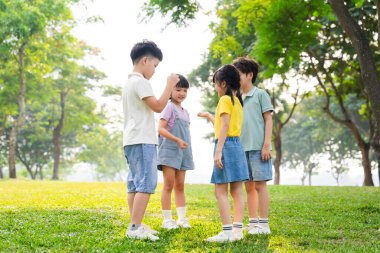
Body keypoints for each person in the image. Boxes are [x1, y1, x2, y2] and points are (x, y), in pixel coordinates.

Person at [123, 40, 179, 241]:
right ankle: (135, 227)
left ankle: (136, 224)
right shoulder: (141, 82)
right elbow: (157, 106)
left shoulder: (129, 83)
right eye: (154, 65)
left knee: (135, 185)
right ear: (145, 60)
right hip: (143, 140)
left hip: (130, 140)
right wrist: (170, 85)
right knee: (146, 184)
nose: (155, 70)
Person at [198, 64, 249, 242]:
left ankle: (226, 232)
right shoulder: (237, 102)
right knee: (237, 192)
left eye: (216, 84)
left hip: (226, 146)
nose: (215, 88)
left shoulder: (224, 100)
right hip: (236, 146)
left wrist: (218, 152)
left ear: (224, 83)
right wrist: (210, 116)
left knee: (220, 192)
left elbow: (224, 128)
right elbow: (223, 125)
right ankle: (237, 230)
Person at [232, 56, 273, 235]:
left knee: (260, 185)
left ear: (249, 75)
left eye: (238, 74)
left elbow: (268, 120)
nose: (236, 78)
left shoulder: (261, 94)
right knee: (248, 186)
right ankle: (253, 222)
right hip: (241, 149)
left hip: (258, 148)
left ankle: (264, 224)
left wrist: (266, 145)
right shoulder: (235, 97)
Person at [157, 74, 194, 229]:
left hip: (184, 152)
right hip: (170, 150)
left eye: (185, 90)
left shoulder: (185, 111)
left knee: (180, 186)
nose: (182, 93)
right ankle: (167, 219)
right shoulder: (168, 107)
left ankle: (182, 218)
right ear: (170, 91)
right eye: (178, 89)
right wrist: (177, 140)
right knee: (168, 185)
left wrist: (182, 142)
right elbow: (160, 129)